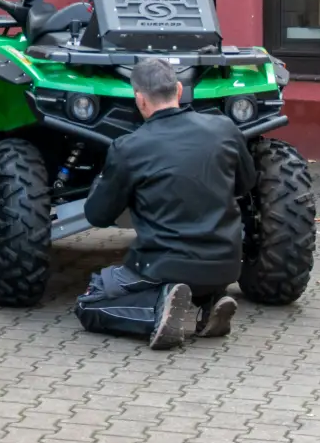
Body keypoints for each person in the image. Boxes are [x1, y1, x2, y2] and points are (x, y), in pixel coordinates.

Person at [74, 57, 256, 350]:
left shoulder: (129, 147)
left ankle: (158, 311)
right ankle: (206, 304)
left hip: (162, 265)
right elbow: (246, 184)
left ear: (139, 100)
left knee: (91, 298)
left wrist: (108, 180)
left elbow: (96, 214)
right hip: (226, 263)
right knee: (188, 279)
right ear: (179, 89)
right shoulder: (225, 129)